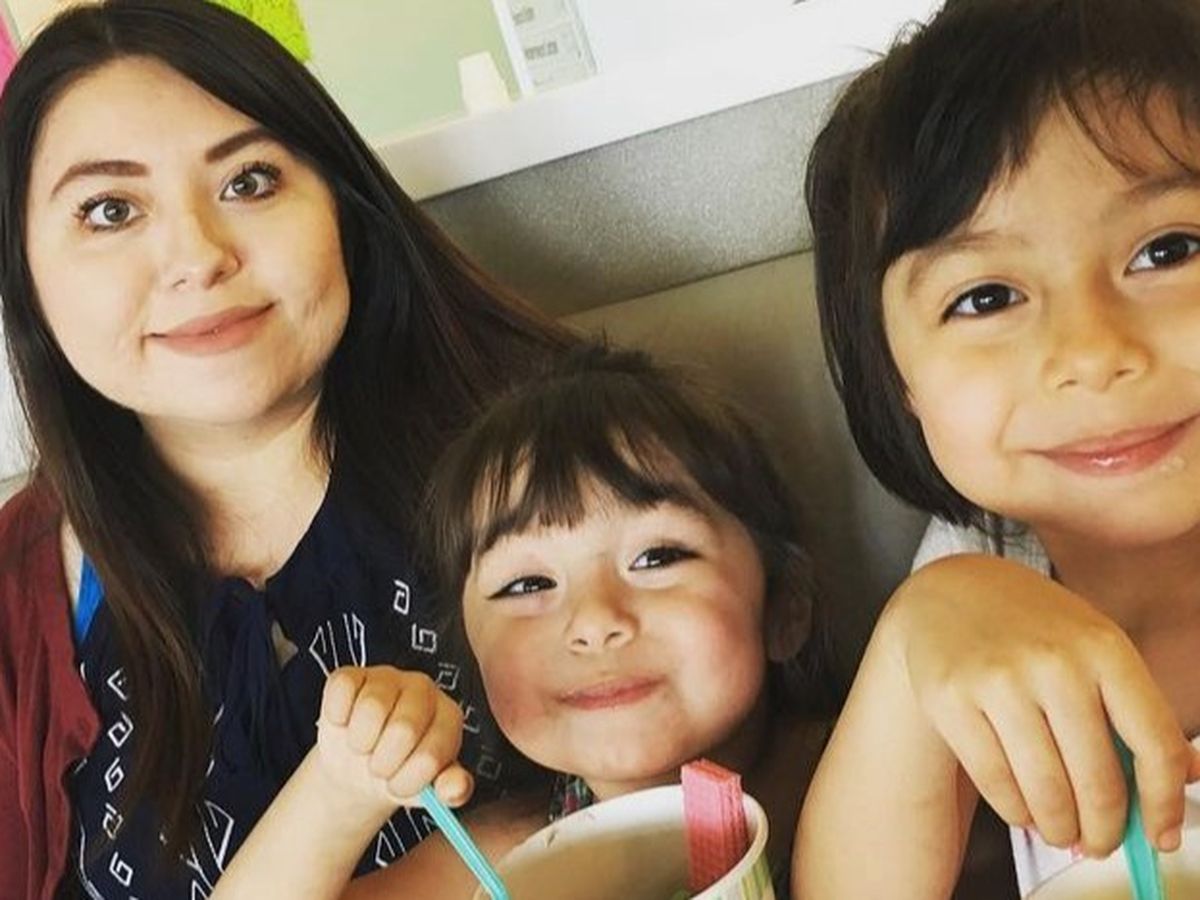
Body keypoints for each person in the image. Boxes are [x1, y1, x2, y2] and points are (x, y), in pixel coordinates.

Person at [0, 0, 576, 897]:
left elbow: (706, 781)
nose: (198, 256)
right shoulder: (19, 601)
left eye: (250, 181)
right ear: (26, 274)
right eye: (110, 210)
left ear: (341, 205)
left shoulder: (561, 457)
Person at [793, 0, 1200, 897]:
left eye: (1169, 249)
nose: (1091, 353)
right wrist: (917, 634)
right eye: (985, 299)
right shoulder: (977, 575)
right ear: (898, 380)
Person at [416, 345, 837, 896]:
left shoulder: (862, 771)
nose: (595, 621)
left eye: (657, 557)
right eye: (527, 585)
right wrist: (342, 792)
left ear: (785, 608)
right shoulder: (505, 857)